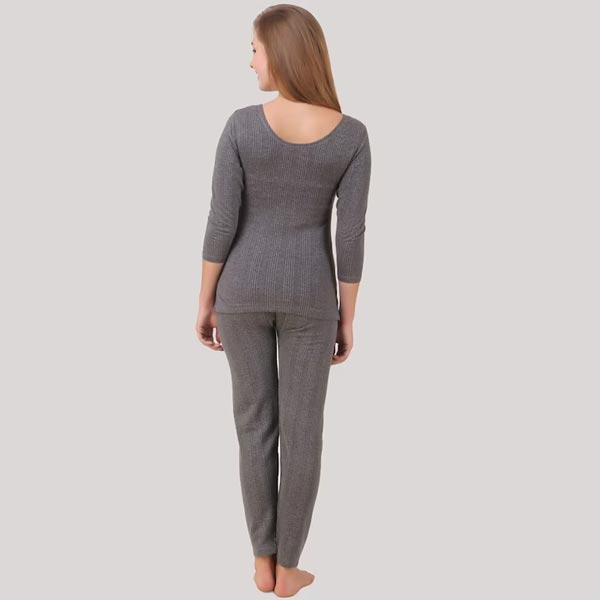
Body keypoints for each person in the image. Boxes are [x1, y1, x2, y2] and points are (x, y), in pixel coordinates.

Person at [195, 5, 371, 597]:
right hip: (311, 297)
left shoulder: (241, 126)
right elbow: (350, 236)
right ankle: (290, 567)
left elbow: (222, 222)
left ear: (282, 52)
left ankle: (262, 562)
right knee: (303, 431)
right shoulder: (351, 136)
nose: (250, 61)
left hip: (241, 292)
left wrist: (205, 300)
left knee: (254, 427)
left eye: (254, 48)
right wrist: (347, 315)